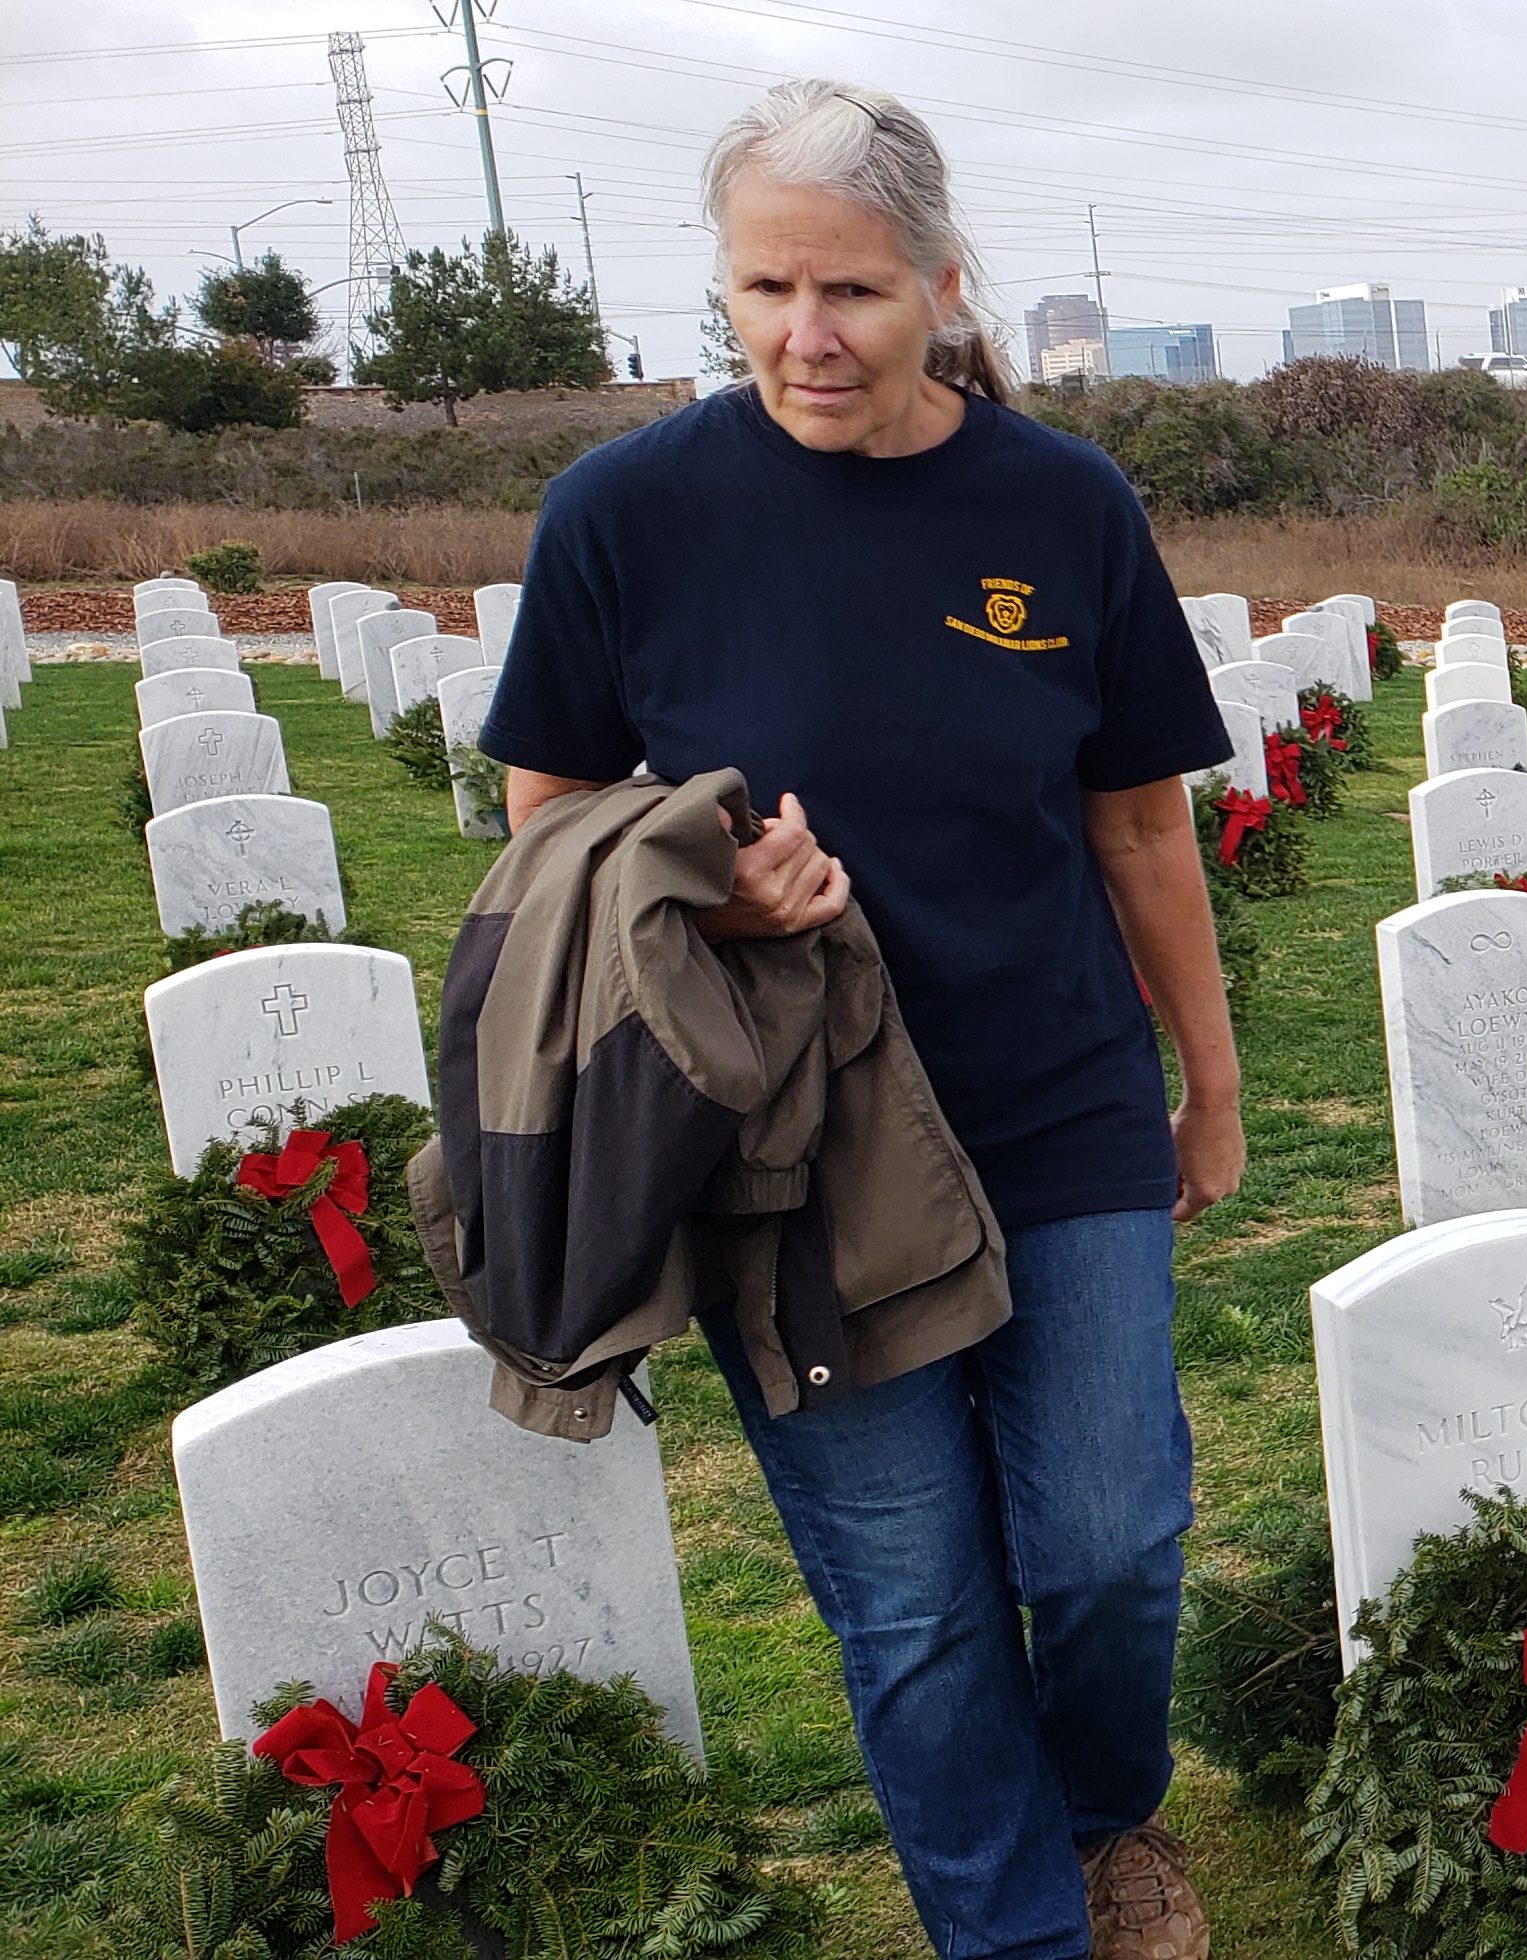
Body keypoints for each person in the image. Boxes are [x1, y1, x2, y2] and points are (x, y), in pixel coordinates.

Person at [476, 78, 1232, 1960]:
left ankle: (1102, 1813)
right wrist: (708, 883)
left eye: (856, 294)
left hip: (1052, 1097)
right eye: (764, 289)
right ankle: (1017, 1931)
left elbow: (1140, 819)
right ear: (723, 292)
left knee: (1108, 1546)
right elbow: (551, 812)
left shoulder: (1063, 508)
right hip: (790, 1136)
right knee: (913, 1597)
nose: (806, 338)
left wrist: (1206, 1085)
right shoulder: (626, 515)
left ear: (943, 285)